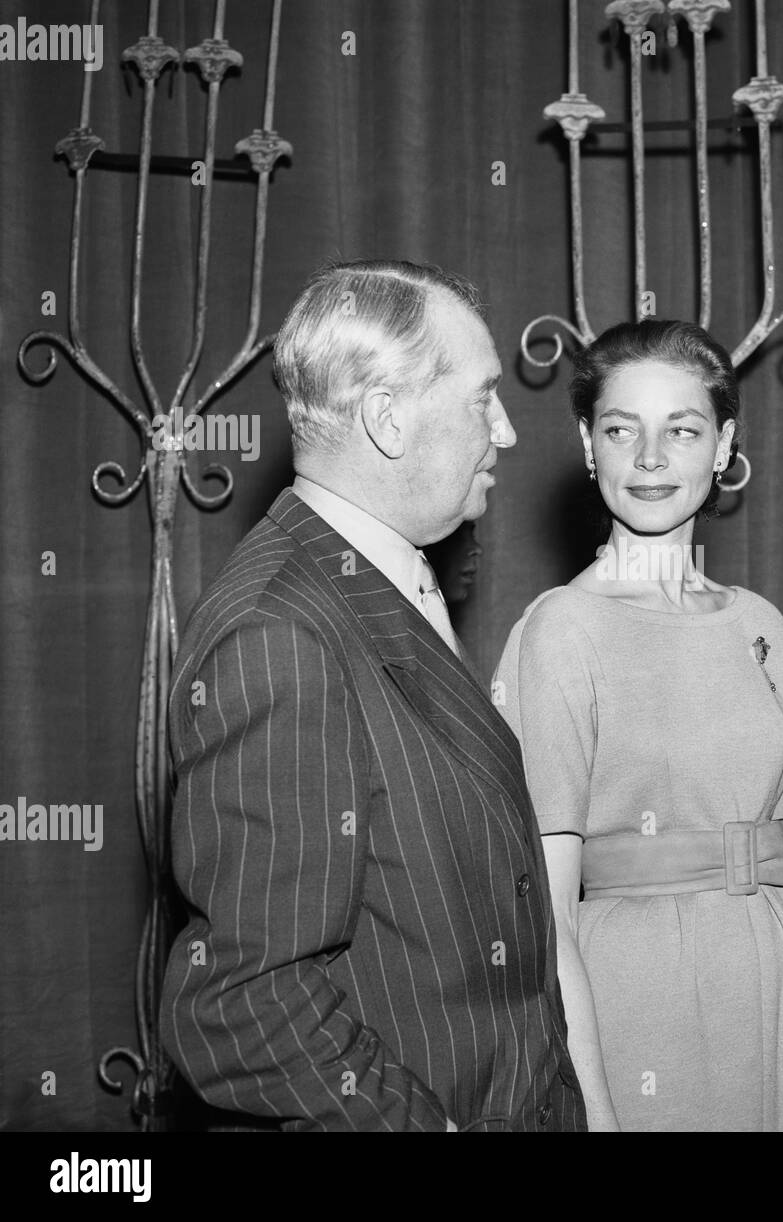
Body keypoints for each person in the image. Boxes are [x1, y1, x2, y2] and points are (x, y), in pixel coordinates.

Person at [160, 259, 585, 1132]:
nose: (504, 431)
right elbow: (247, 1004)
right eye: (481, 399)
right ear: (389, 420)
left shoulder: (381, 574)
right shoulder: (279, 632)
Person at [494, 320, 783, 1131]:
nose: (652, 459)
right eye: (622, 430)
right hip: (636, 997)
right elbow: (547, 912)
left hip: (771, 983)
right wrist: (595, 1110)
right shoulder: (562, 628)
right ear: (588, 446)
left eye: (684, 430)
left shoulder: (761, 624)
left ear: (725, 443)